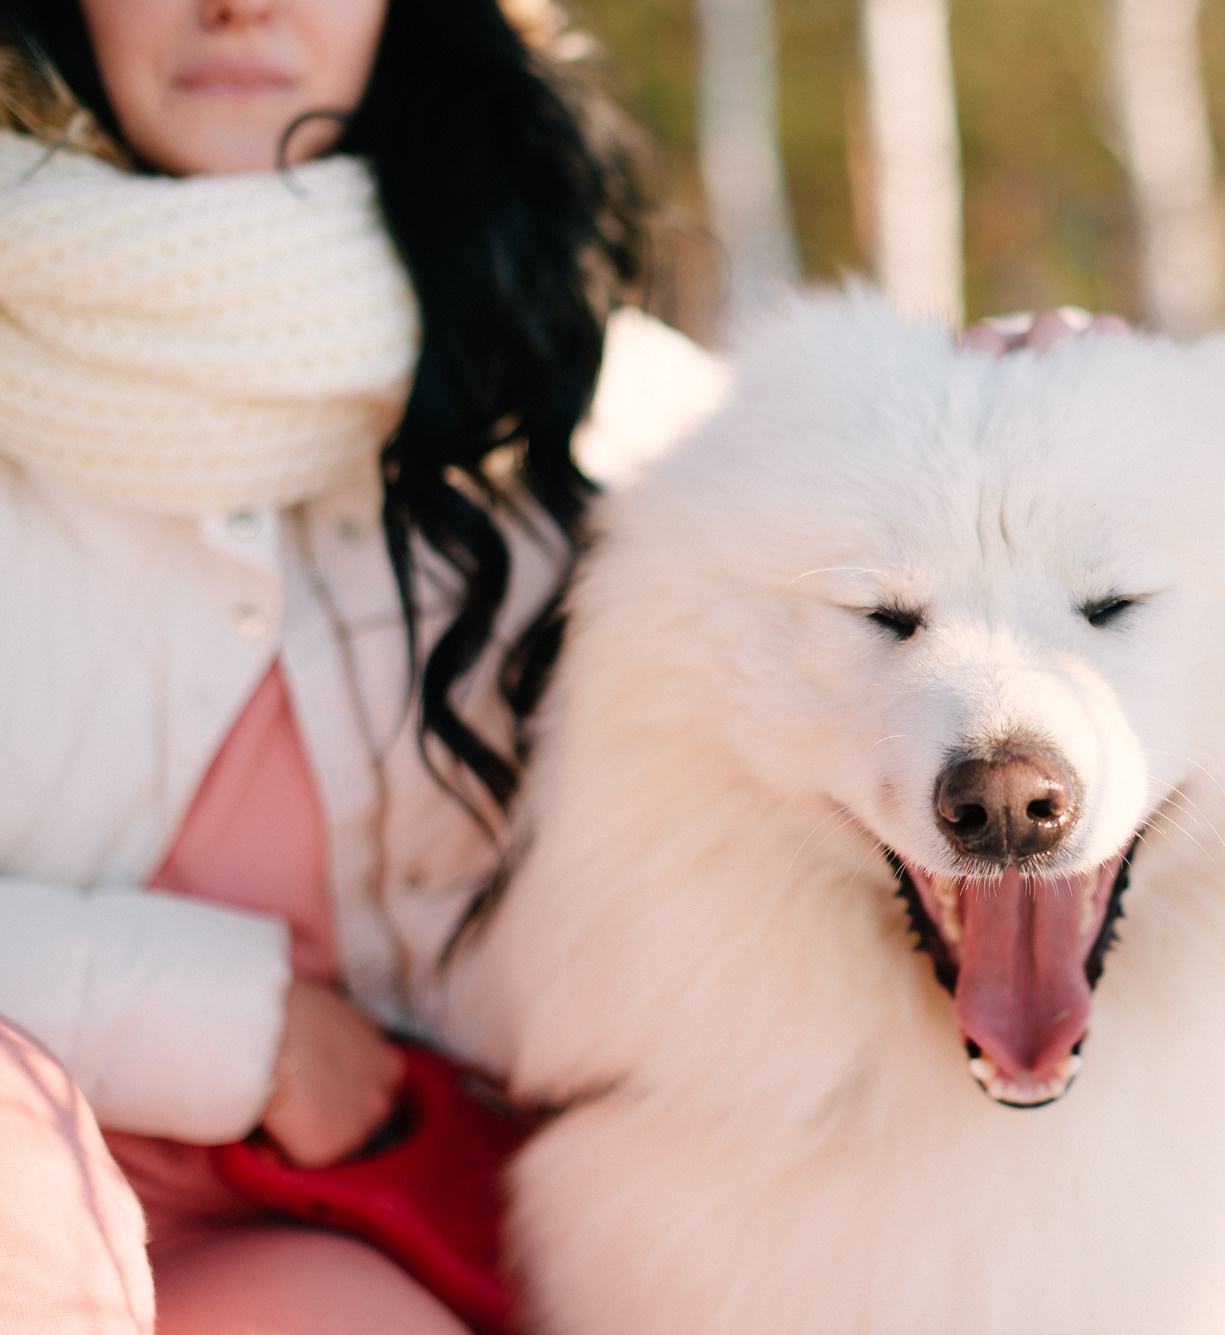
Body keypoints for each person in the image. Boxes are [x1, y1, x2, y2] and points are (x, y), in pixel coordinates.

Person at [0, 0, 724, 1330]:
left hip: (362, 1222)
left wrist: (1053, 391)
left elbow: (902, 598)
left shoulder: (578, 390)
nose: (238, 2)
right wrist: (238, 1032)